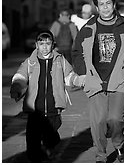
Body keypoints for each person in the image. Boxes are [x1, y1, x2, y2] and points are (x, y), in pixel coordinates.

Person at [72, 0, 124, 163]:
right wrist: (82, 73)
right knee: (98, 121)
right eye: (101, 4)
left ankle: (119, 144)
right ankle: (100, 155)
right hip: (95, 79)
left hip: (121, 78)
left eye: (108, 3)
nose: (105, 7)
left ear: (114, 4)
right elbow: (77, 51)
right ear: (96, 7)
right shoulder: (88, 27)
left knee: (115, 119)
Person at [10, 29, 84, 162]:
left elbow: (69, 75)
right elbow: (21, 76)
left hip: (53, 106)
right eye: (42, 44)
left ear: (53, 45)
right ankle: (35, 158)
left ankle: (50, 147)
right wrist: (16, 87)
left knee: (51, 137)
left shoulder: (59, 60)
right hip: (34, 108)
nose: (45, 47)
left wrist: (77, 80)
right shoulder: (30, 61)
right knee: (32, 139)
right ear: (36, 45)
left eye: (48, 44)